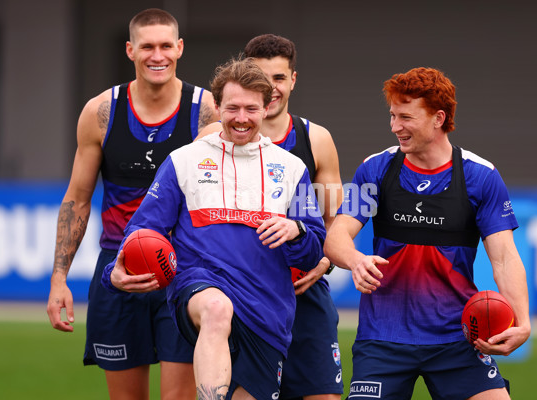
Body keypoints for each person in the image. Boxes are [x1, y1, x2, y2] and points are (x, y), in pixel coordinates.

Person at [101, 57, 327, 400]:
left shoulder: (292, 169)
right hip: (200, 287)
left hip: (266, 313)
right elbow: (143, 230)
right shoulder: (184, 160)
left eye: (251, 109)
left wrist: (296, 230)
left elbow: (313, 251)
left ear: (266, 109)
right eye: (232, 107)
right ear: (217, 106)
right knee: (217, 309)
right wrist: (113, 274)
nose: (241, 118)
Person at [324, 67, 530, 400]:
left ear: (438, 118)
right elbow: (335, 238)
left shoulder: (481, 176)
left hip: (459, 338)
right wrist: (356, 260)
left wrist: (522, 321)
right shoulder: (376, 168)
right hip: (382, 339)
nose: (395, 127)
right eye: (392, 116)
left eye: (405, 117)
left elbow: (504, 257)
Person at [46, 8, 218, 400]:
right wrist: (59, 280)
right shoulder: (101, 113)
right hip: (118, 266)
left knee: (178, 397)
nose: (157, 55)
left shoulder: (206, 110)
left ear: (179, 48)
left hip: (184, 268)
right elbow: (77, 199)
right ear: (130, 50)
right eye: (147, 47)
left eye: (165, 46)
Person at [200, 33, 344, 400]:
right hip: (240, 293)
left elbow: (338, 217)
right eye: (263, 78)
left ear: (293, 80)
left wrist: (325, 260)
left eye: (279, 78)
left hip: (302, 291)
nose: (272, 88)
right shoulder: (214, 137)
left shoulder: (316, 139)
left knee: (323, 395)